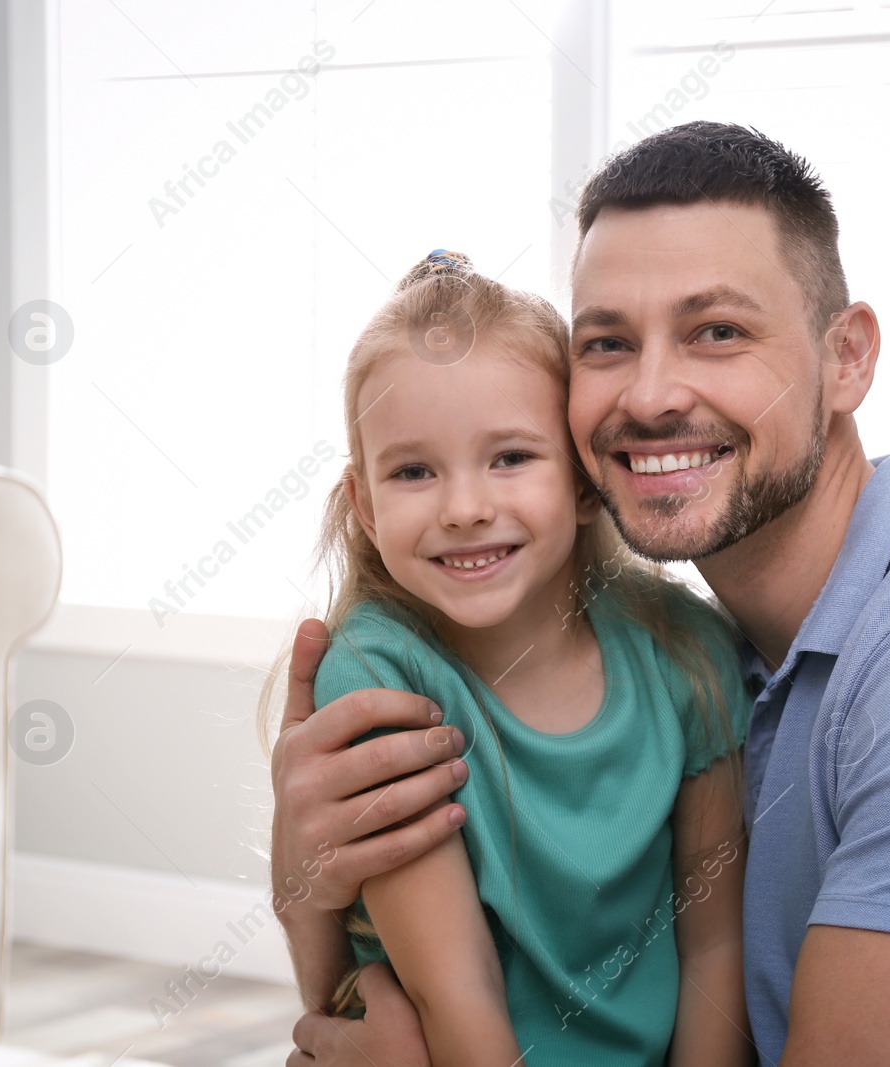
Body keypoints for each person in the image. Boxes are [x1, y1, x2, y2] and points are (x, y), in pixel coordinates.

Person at [275, 122, 890, 1066]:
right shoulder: (712, 648)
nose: (651, 393)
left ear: (847, 357)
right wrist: (304, 885)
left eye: (716, 330)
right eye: (607, 343)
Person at [269, 248, 755, 1066]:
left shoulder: (690, 652)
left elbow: (713, 945)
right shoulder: (378, 674)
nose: (465, 508)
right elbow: (453, 988)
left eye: (511, 457)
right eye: (414, 470)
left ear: (583, 480)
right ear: (365, 501)